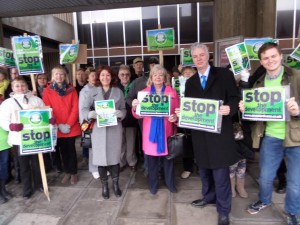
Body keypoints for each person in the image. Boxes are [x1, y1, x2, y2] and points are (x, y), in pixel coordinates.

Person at [175, 43, 239, 225]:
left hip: (220, 134)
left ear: (208, 55)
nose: (199, 58)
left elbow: (235, 98)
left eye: (202, 55)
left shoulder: (224, 74)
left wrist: (230, 109)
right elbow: (189, 106)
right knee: (204, 170)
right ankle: (208, 197)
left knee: (220, 173)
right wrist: (182, 114)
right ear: (192, 59)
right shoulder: (191, 82)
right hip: (200, 135)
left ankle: (224, 209)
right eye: (195, 56)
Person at [239, 42, 300, 225]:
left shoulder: (296, 77)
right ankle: (264, 200)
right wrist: (246, 109)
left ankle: (292, 211)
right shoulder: (259, 82)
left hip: (296, 138)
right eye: (265, 58)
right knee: (265, 178)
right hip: (270, 137)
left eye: (273, 56)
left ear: (281, 56)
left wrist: (298, 111)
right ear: (261, 61)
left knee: (295, 183)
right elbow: (255, 115)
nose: (270, 60)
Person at [132, 64, 179, 195]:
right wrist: (135, 107)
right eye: (155, 75)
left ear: (165, 78)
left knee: (168, 160)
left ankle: (170, 184)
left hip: (167, 131)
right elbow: (138, 115)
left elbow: (177, 111)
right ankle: (153, 185)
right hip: (150, 132)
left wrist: (175, 117)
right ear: (151, 78)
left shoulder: (172, 92)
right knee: (152, 161)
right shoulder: (144, 93)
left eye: (161, 75)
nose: (158, 77)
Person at [80, 65, 126, 199]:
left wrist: (120, 113)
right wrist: (90, 114)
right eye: (102, 75)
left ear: (111, 77)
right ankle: (104, 186)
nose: (105, 77)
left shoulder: (118, 92)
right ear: (98, 77)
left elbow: (124, 109)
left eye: (108, 75)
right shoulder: (92, 92)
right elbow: (83, 109)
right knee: (100, 159)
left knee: (114, 157)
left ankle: (116, 184)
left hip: (114, 129)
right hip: (98, 130)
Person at [0, 77, 45, 199]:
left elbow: (44, 115)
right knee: (23, 165)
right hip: (19, 139)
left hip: (36, 138)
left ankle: (39, 184)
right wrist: (11, 126)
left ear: (27, 86)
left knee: (37, 163)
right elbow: (3, 120)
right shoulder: (7, 103)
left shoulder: (36, 100)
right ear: (13, 88)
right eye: (17, 86)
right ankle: (27, 189)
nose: (20, 88)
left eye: (22, 85)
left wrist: (50, 120)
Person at [43, 65, 81, 185]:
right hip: (56, 126)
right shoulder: (47, 91)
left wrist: (68, 124)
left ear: (65, 76)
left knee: (71, 150)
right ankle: (67, 171)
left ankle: (74, 172)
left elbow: (75, 108)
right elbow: (47, 108)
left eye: (61, 74)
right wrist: (58, 124)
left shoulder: (72, 89)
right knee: (62, 150)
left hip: (71, 126)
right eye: (56, 74)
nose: (59, 76)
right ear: (52, 76)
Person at [126, 56, 159, 177]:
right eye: (150, 65)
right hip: (145, 121)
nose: (153, 68)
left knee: (160, 143)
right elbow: (128, 97)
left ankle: (160, 169)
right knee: (147, 143)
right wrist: (134, 104)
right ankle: (148, 168)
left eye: (155, 65)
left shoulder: (163, 80)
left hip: (162, 121)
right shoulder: (138, 82)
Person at [78, 67, 100, 179]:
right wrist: (85, 124)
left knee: (99, 145)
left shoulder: (100, 87)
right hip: (89, 122)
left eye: (96, 75)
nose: (95, 77)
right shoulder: (84, 91)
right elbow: (82, 109)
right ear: (87, 78)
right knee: (91, 146)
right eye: (92, 76)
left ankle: (100, 166)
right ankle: (93, 168)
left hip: (100, 121)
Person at [117, 65, 137, 172]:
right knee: (120, 143)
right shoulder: (115, 87)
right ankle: (121, 162)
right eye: (122, 74)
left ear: (130, 75)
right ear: (119, 76)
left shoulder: (134, 85)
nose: (125, 76)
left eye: (127, 74)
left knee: (131, 143)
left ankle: (132, 162)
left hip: (131, 119)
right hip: (119, 120)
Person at [179, 66, 196, 179]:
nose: (188, 74)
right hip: (184, 120)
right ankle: (188, 168)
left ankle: (201, 165)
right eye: (185, 73)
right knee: (186, 144)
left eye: (190, 72)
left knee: (200, 143)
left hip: (199, 119)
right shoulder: (178, 87)